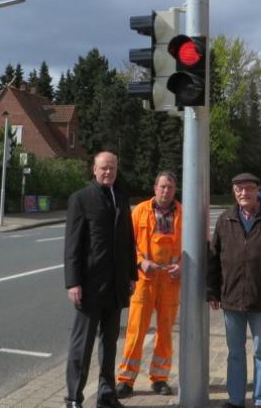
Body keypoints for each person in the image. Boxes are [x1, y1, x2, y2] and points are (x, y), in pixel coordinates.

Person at [207, 172, 261, 408]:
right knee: (235, 353)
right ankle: (236, 400)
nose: (244, 193)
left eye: (248, 189)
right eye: (239, 189)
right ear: (234, 192)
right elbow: (214, 257)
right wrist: (212, 291)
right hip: (232, 299)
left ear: (258, 191)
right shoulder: (226, 219)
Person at [63, 151, 137, 408]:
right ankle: (74, 397)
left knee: (109, 344)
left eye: (113, 168)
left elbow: (129, 240)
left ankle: (106, 395)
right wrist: (73, 282)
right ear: (94, 169)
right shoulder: (80, 199)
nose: (108, 172)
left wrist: (131, 275)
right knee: (81, 346)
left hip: (116, 286)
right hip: (90, 286)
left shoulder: (121, 198)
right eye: (104, 168)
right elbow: (72, 245)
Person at [116, 171, 182, 398]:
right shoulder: (140, 211)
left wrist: (183, 266)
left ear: (175, 190)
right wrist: (140, 262)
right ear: (155, 188)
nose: (166, 191)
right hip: (144, 281)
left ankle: (160, 378)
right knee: (135, 331)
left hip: (171, 281)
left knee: (165, 332)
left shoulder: (183, 213)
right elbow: (127, 244)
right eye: (162, 186)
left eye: (170, 187)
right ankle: (126, 379)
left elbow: (193, 245)